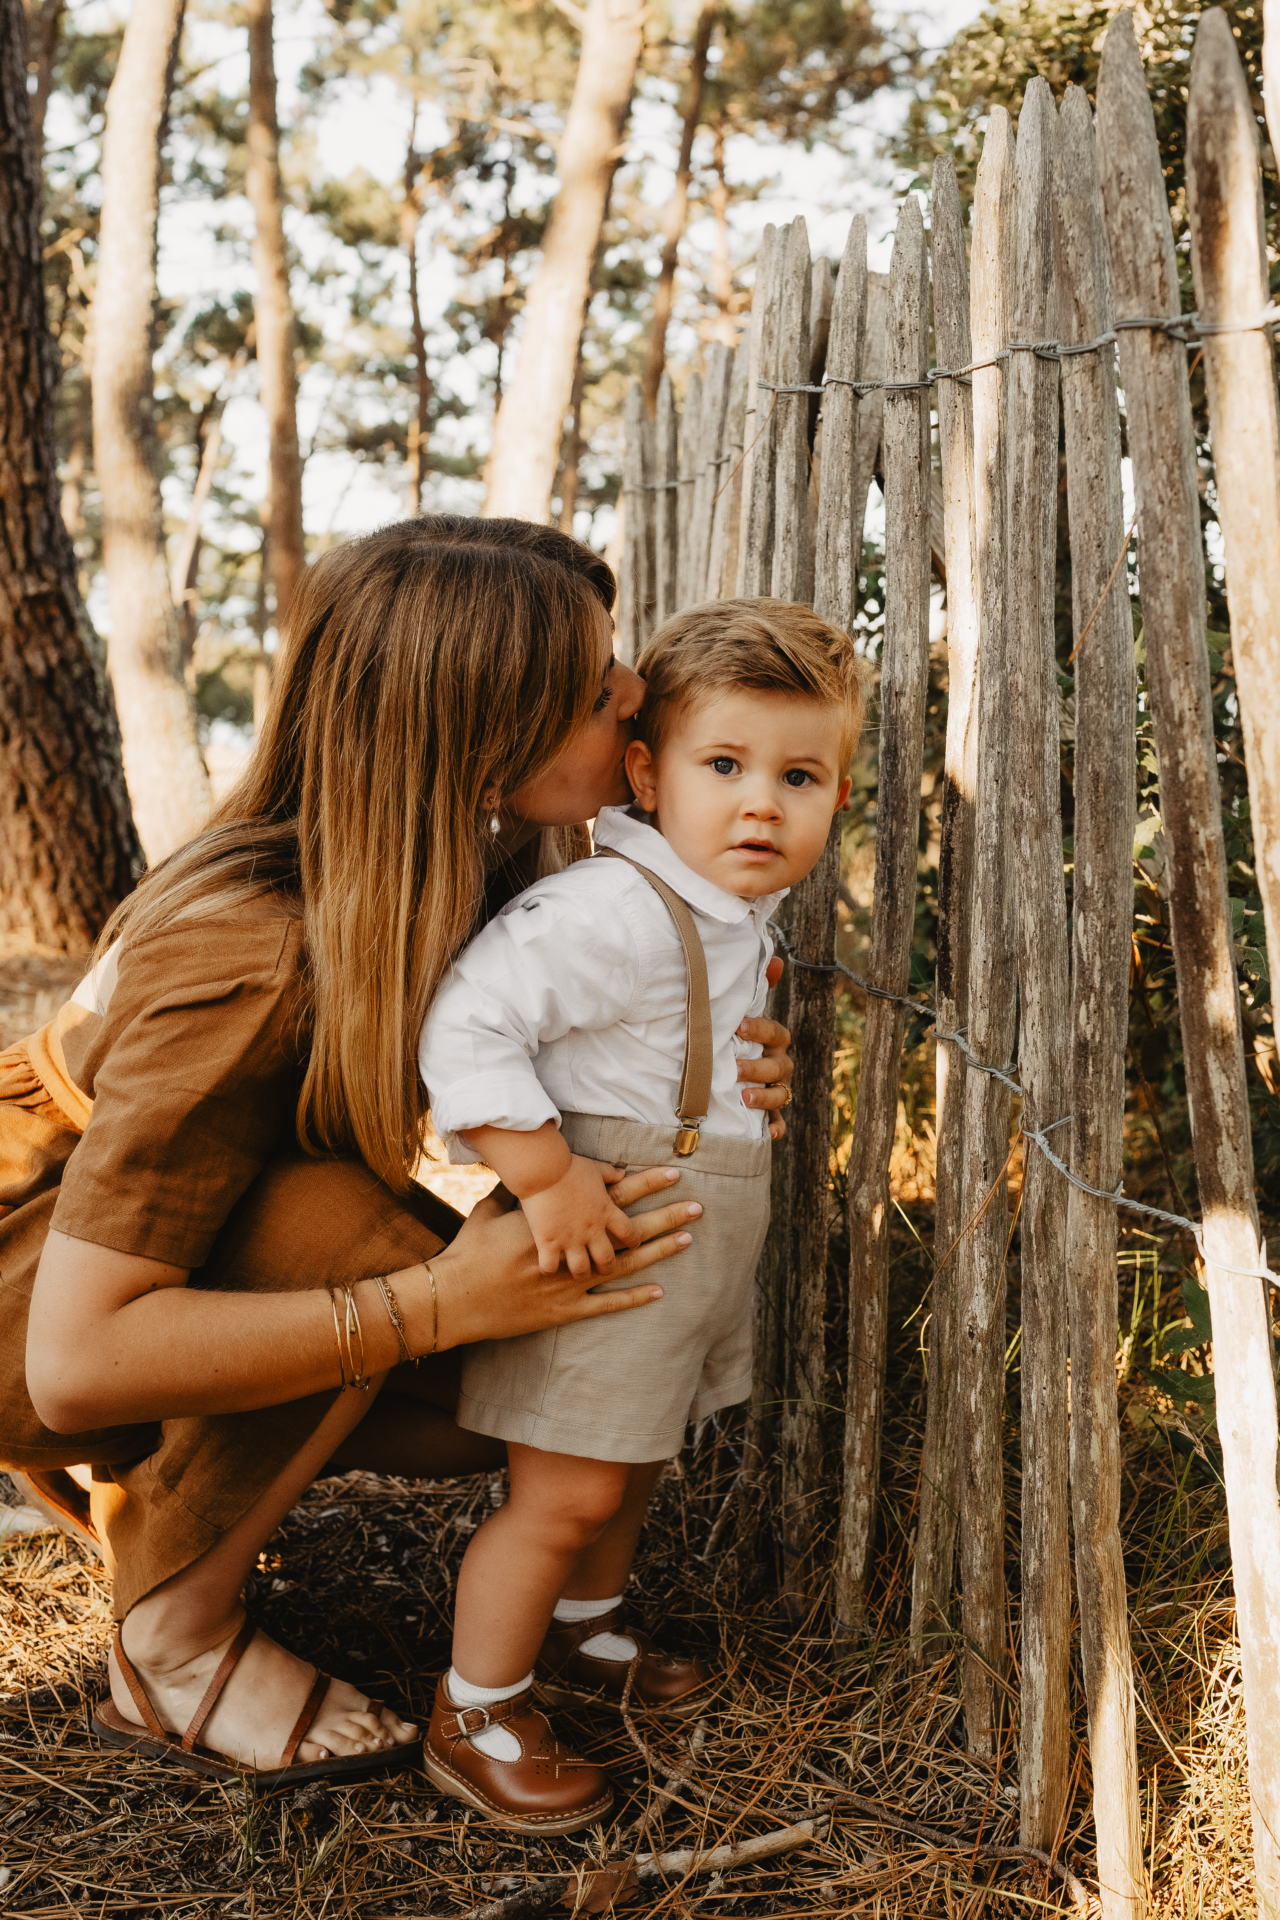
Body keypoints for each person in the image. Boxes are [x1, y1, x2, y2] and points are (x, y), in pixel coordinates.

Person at [0, 520, 796, 1802]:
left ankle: (149, 1481)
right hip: (32, 1291)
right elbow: (74, 1357)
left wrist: (725, 1069)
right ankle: (173, 1639)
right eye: (598, 692)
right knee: (354, 1246)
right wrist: (431, 1303)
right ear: (483, 737)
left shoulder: (454, 859)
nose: (635, 693)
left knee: (507, 1390)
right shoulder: (258, 957)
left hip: (108, 1250)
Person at [419, 599, 865, 1832]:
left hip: (694, 1236)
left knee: (634, 1464)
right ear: (644, 774)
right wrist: (549, 1175)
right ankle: (476, 1707)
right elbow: (466, 1025)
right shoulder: (606, 910)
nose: (760, 804)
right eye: (721, 767)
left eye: (798, 775)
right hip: (608, 1229)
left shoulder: (731, 913)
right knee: (560, 1494)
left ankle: (579, 1633)